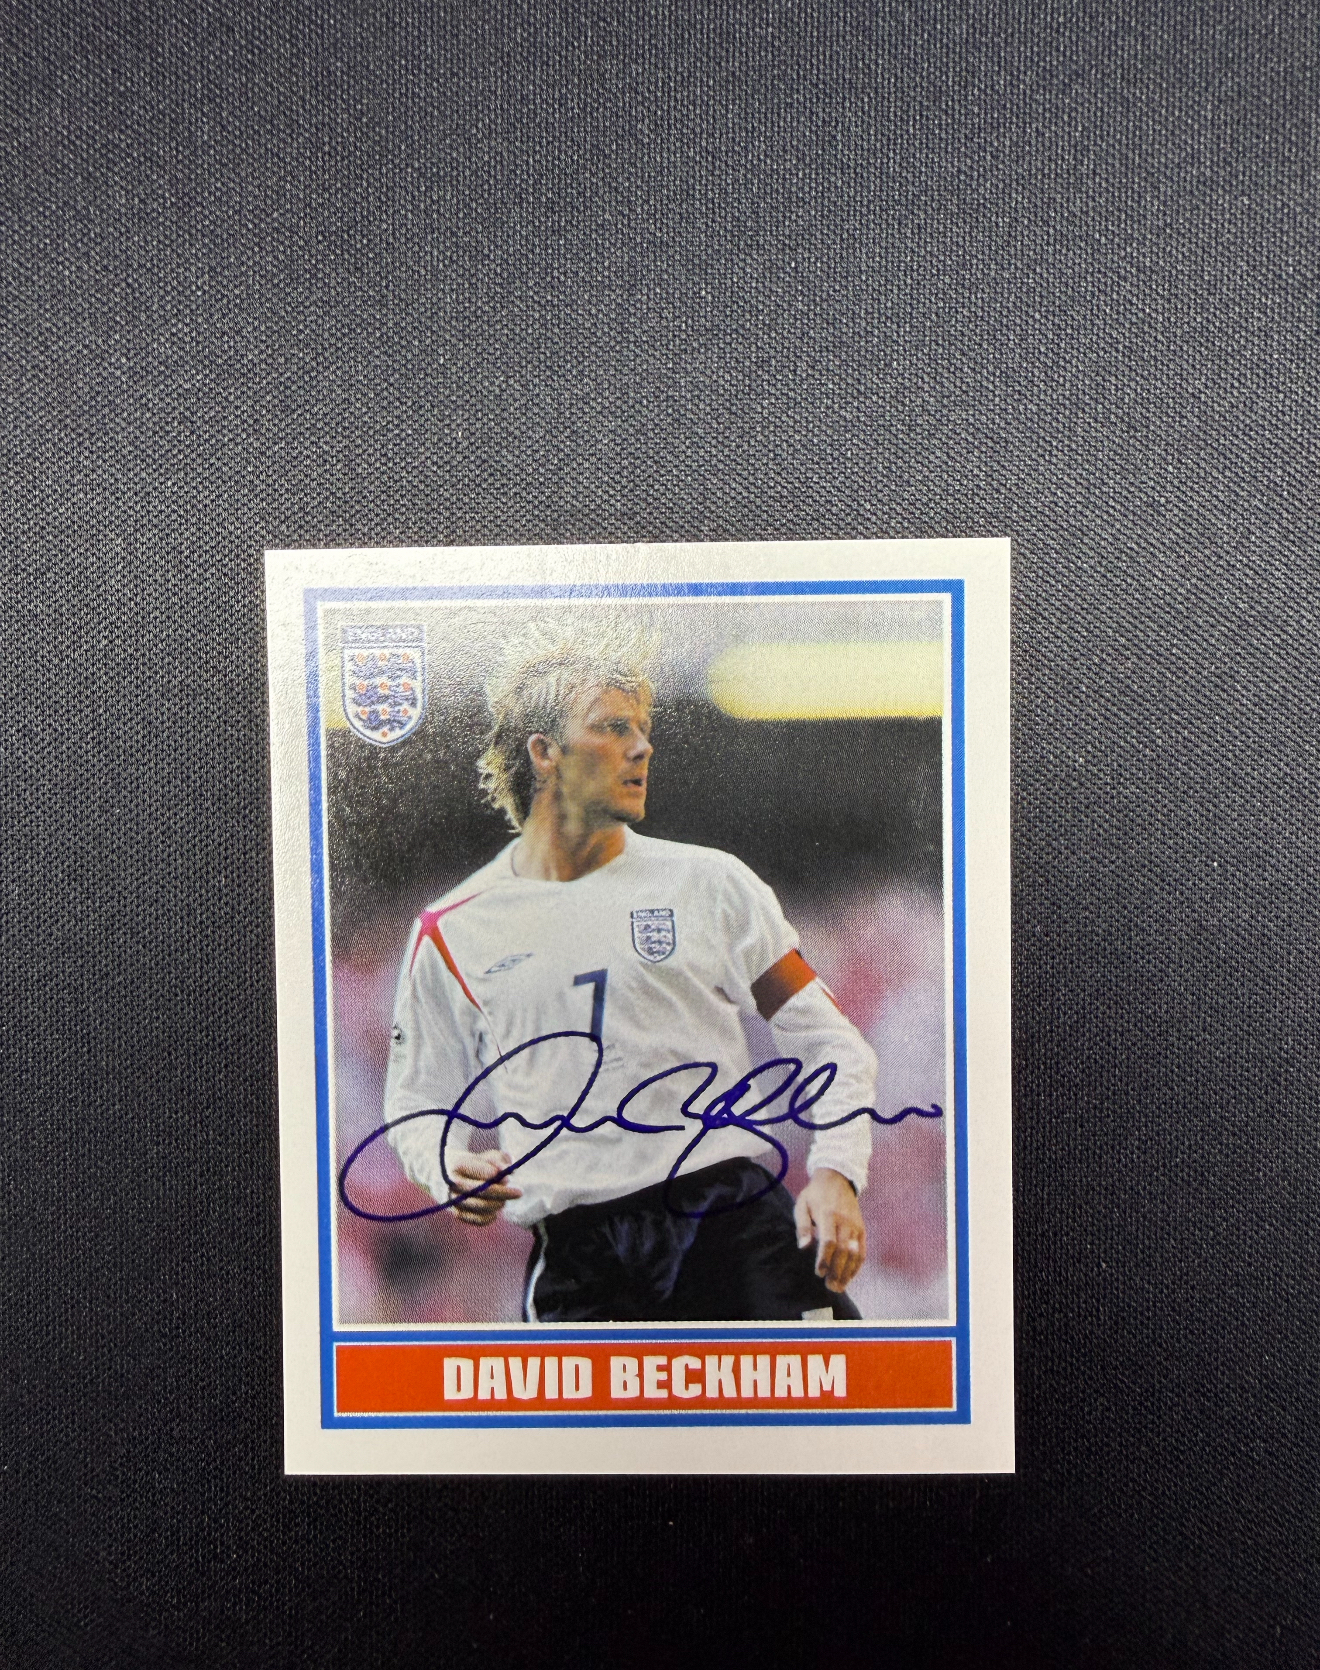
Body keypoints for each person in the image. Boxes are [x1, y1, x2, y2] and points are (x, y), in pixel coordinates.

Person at [383, 626, 876, 1322]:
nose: (642, 747)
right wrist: (443, 1164)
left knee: (834, 1392)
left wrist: (836, 1172)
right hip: (579, 1260)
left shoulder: (711, 884)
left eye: (643, 729)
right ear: (545, 752)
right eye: (614, 727)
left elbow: (831, 1040)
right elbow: (416, 1102)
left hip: (731, 1229)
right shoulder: (450, 929)